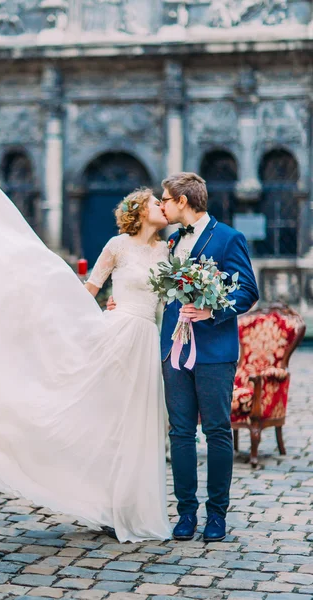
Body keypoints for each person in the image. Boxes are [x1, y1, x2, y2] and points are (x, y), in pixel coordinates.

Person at [0, 161, 172, 543]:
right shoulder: (117, 246)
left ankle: (133, 505)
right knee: (108, 419)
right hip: (117, 336)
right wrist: (72, 310)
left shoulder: (167, 250)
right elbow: (90, 288)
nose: (160, 207)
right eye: (154, 203)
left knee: (138, 423)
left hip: (146, 340)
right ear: (138, 211)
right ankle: (103, 500)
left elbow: (169, 297)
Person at [160, 173, 259, 542]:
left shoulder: (229, 237)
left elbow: (248, 290)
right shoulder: (172, 241)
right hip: (174, 349)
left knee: (217, 431)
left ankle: (217, 515)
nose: (162, 204)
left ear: (183, 201)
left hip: (214, 351)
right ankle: (186, 513)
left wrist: (212, 312)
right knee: (180, 433)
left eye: (165, 199)